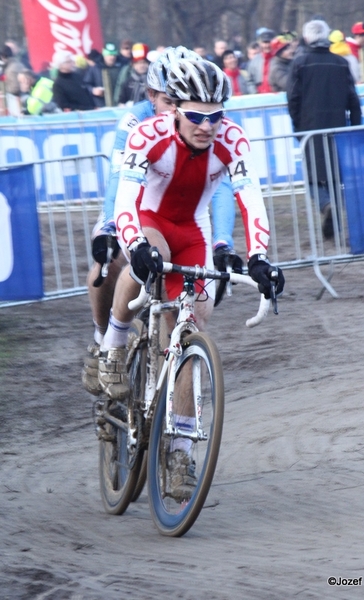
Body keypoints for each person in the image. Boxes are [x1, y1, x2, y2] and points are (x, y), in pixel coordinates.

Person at [95, 58, 284, 494]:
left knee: (190, 329)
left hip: (192, 231)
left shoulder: (232, 139)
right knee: (147, 262)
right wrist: (135, 245)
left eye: (215, 116)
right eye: (197, 116)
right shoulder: (148, 135)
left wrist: (258, 256)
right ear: (174, 110)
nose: (207, 126)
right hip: (149, 220)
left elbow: (249, 198)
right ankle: (114, 345)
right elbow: (125, 199)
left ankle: (180, 451)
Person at [82, 48, 240, 396]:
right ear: (151, 96)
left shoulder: (205, 123)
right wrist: (110, 226)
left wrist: (223, 242)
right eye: (170, 101)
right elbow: (116, 179)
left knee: (192, 298)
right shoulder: (136, 121)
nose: (178, 111)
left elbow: (223, 187)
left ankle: (170, 393)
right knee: (106, 262)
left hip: (182, 219)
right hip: (133, 207)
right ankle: (102, 341)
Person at [286, 19, 362, 239]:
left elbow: (293, 99)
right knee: (335, 177)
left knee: (312, 178)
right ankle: (334, 222)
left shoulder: (300, 63)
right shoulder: (341, 62)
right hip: (339, 129)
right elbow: (353, 100)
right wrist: (353, 130)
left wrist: (298, 129)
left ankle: (326, 205)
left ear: (307, 37)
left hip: (310, 128)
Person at [83, 42, 122, 107]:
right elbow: (85, 84)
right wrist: (93, 90)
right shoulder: (95, 68)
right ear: (104, 55)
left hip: (119, 105)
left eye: (114, 55)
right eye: (109, 55)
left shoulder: (121, 67)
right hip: (101, 105)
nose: (112, 57)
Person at [246, 29, 275, 93]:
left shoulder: (278, 59)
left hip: (276, 96)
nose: (267, 45)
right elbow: (250, 80)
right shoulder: (255, 60)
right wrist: (254, 93)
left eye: (269, 42)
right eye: (265, 42)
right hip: (259, 97)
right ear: (261, 43)